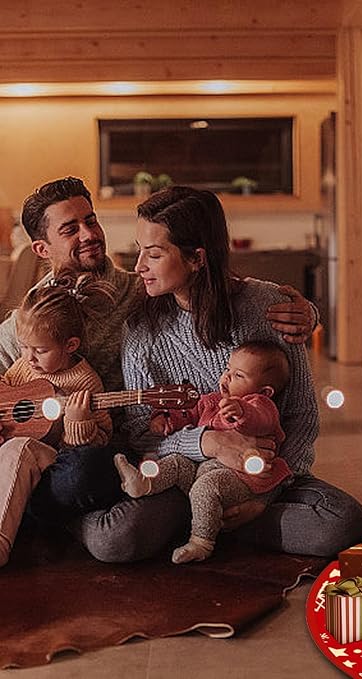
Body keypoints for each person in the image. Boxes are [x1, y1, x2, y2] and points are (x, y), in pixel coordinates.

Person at [0, 177, 328, 562]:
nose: (89, 234)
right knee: (81, 487)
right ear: (42, 248)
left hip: (129, 449)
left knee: (91, 475)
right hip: (90, 452)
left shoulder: (140, 293)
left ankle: (205, 512)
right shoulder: (25, 322)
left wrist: (308, 313)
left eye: (92, 220)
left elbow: (219, 291)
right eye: (71, 229)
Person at [113, 185, 362, 561]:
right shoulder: (140, 331)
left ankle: (213, 526)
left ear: (196, 258)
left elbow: (301, 417)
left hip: (258, 478)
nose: (139, 266)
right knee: (119, 539)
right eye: (139, 250)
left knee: (345, 522)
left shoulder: (267, 307)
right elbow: (139, 434)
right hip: (178, 477)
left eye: (153, 254)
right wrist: (208, 443)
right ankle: (212, 521)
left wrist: (262, 498)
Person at [114, 340, 292, 564]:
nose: (226, 377)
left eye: (238, 376)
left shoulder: (261, 404)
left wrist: (242, 411)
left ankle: (201, 542)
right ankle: (143, 483)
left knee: (205, 489)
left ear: (264, 390)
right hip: (201, 467)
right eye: (227, 369)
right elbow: (189, 412)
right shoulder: (213, 401)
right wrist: (165, 419)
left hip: (240, 477)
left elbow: (262, 420)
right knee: (177, 462)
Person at [0, 270, 114, 567]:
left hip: (53, 465)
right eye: (24, 347)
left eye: (40, 350)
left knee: (21, 448)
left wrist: (78, 423)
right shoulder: (25, 369)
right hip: (13, 466)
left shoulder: (86, 382)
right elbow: (6, 400)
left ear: (71, 345)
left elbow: (101, 440)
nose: (29, 358)